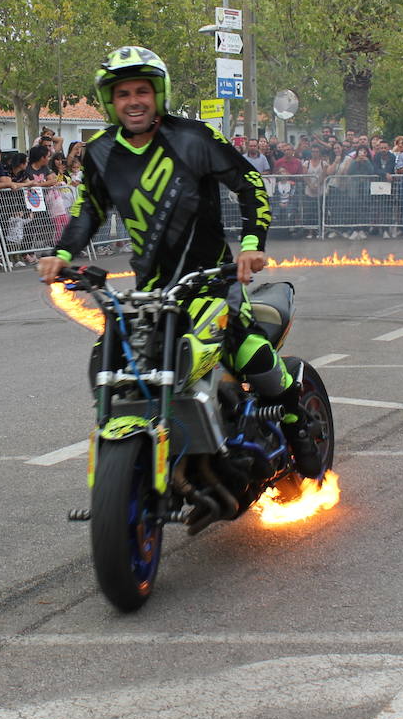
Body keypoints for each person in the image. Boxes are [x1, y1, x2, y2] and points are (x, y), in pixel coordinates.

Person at [38, 45, 320, 478]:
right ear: (110, 101)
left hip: (213, 281)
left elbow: (249, 184)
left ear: (159, 93)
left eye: (142, 90)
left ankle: (298, 426)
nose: (133, 100)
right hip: (152, 289)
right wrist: (61, 255)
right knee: (113, 360)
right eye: (122, 93)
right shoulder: (99, 152)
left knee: (247, 350)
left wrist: (250, 244)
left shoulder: (194, 138)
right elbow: (88, 211)